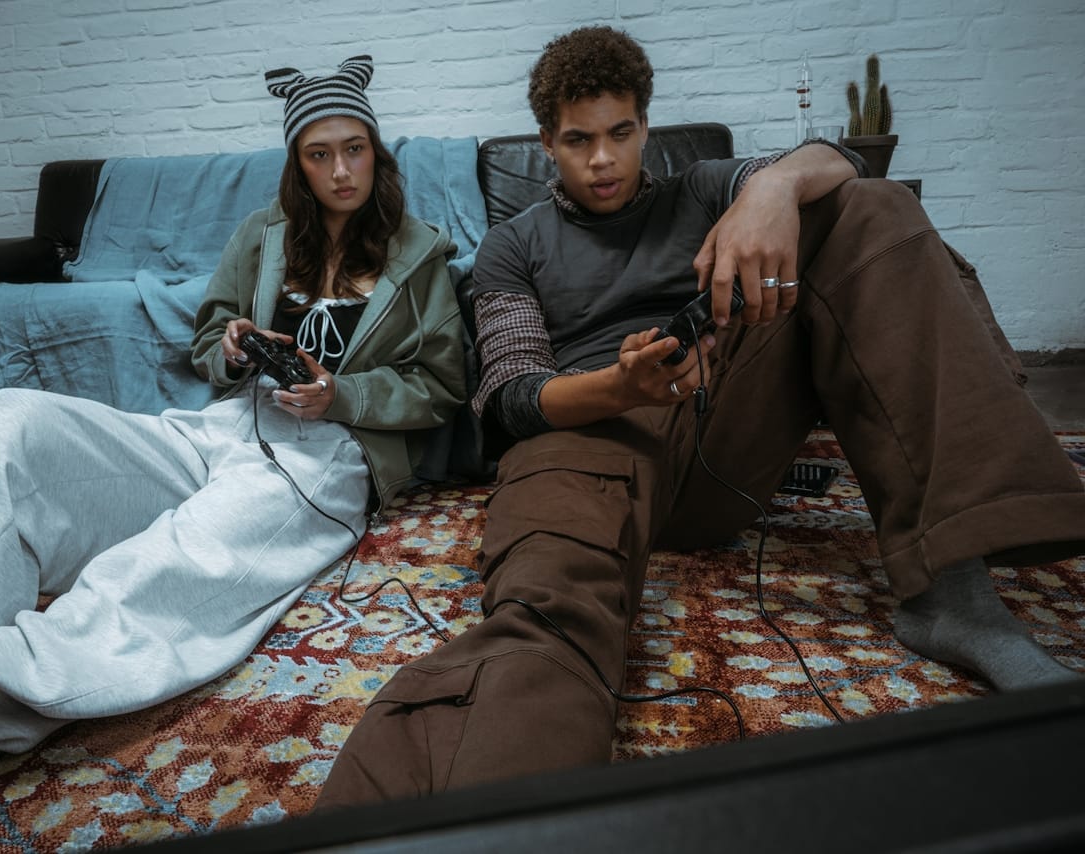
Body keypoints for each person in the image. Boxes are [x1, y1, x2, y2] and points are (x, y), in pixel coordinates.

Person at [314, 27, 1085, 806]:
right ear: (547, 143)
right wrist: (621, 387)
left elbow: (846, 163)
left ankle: (954, 596)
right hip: (590, 435)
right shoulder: (512, 247)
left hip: (728, 426)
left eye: (621, 134)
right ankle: (441, 806)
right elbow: (513, 397)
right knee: (544, 608)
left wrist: (773, 191)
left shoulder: (707, 185)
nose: (605, 160)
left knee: (870, 208)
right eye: (579, 141)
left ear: (646, 125)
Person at [0, 54, 466, 808]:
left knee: (153, 573)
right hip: (216, 426)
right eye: (321, 154)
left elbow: (441, 387)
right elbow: (212, 329)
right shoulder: (265, 235)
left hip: (324, 459)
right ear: (298, 164)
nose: (342, 170)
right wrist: (226, 347)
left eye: (356, 150)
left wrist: (341, 394)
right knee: (7, 420)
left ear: (378, 155)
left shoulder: (422, 253)